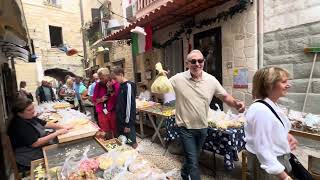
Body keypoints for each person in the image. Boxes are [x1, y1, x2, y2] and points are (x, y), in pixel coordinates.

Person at [169, 50, 245, 180]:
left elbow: (225, 96)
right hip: (185, 128)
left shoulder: (211, 80)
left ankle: (183, 172)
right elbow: (160, 89)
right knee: (193, 162)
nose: (197, 64)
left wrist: (236, 104)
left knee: (193, 157)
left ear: (204, 62)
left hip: (203, 127)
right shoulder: (178, 79)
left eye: (200, 61)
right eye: (193, 61)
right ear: (187, 64)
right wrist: (160, 78)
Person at [244, 67, 298, 180]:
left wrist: (285, 135)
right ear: (269, 85)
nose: (288, 85)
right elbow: (263, 150)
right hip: (270, 168)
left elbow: (272, 127)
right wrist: (285, 177)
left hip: (276, 163)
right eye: (283, 82)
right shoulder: (261, 110)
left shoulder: (270, 105)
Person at [7, 97, 71, 170]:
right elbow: (35, 143)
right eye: (29, 110)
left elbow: (45, 123)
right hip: (29, 157)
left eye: (33, 108)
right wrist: (56, 133)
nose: (33, 111)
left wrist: (62, 126)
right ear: (19, 113)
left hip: (38, 149)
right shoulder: (19, 125)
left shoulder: (28, 117)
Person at [113, 67, 138, 149]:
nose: (115, 81)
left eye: (116, 78)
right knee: (124, 141)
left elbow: (129, 106)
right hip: (121, 120)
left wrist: (127, 124)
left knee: (131, 141)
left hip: (127, 122)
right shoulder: (121, 86)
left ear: (121, 75)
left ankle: (136, 156)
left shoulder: (128, 86)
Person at [93, 68, 118, 138]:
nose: (101, 80)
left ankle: (118, 143)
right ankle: (109, 144)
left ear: (108, 76)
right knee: (106, 131)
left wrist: (111, 89)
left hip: (113, 111)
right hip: (102, 111)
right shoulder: (98, 85)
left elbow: (118, 98)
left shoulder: (115, 84)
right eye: (100, 78)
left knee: (115, 129)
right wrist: (101, 99)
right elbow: (94, 99)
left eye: (102, 78)